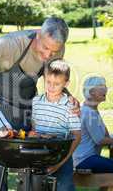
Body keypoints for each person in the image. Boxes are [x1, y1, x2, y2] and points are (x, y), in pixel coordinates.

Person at [0, 17, 80, 191]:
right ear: (38, 34)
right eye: (45, 48)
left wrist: (68, 97)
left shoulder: (56, 47)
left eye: (53, 52)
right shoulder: (12, 43)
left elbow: (53, 78)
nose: (48, 55)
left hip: (28, 105)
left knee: (39, 153)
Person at [31, 60, 81, 191]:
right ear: (44, 79)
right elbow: (34, 128)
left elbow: (77, 136)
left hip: (61, 156)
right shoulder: (36, 102)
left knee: (63, 187)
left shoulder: (70, 106)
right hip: (39, 155)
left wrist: (60, 163)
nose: (51, 87)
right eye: (48, 82)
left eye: (57, 84)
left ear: (66, 83)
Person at [73, 76, 113, 173]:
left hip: (85, 158)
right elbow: (100, 140)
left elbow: (106, 135)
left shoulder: (90, 110)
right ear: (91, 92)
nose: (106, 89)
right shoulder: (89, 113)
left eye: (105, 86)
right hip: (84, 160)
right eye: (101, 87)